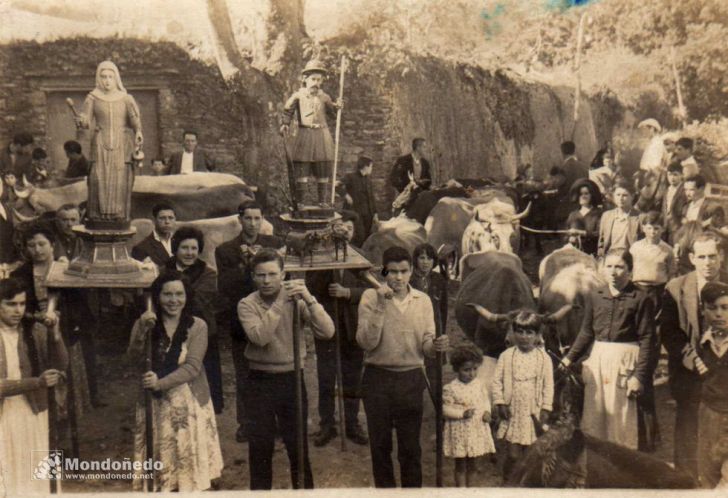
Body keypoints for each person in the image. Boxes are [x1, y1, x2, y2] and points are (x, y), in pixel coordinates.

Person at [237, 249, 335, 489]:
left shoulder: (297, 300)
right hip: (259, 381)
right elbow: (260, 337)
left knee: (297, 446)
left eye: (272, 274)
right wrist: (281, 302)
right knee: (260, 447)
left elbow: (327, 331)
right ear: (253, 276)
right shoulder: (247, 304)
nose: (267, 281)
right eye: (261, 275)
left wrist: (309, 299)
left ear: (283, 274)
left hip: (292, 379)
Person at [357, 245, 449, 488]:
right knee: (380, 447)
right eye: (393, 272)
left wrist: (436, 346)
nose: (398, 277)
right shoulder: (369, 297)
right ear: (383, 272)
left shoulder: (423, 300)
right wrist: (380, 303)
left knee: (410, 449)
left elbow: (426, 346)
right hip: (377, 379)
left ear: (411, 272)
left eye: (404, 271)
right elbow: (366, 342)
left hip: (410, 379)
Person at [127, 271, 223, 492]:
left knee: (187, 461)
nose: (173, 300)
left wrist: (159, 382)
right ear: (158, 297)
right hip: (155, 402)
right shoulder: (146, 322)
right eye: (167, 294)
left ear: (187, 296)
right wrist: (142, 329)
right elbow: (132, 359)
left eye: (179, 294)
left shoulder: (197, 326)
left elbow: (192, 367)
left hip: (187, 402)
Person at [562, 249, 659, 452]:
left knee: (621, 420)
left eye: (619, 267)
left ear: (630, 271)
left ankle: (622, 462)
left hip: (625, 363)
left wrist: (639, 376)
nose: (613, 272)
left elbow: (648, 339)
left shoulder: (641, 298)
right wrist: (568, 359)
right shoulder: (595, 295)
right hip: (598, 360)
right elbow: (586, 332)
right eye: (609, 266)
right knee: (595, 415)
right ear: (602, 269)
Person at [11, 226, 93, 446]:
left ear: (52, 245)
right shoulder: (20, 274)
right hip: (32, 337)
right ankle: (42, 440)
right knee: (41, 383)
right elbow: (15, 308)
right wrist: (36, 317)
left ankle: (66, 445)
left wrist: (64, 321)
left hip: (63, 335)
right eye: (31, 245)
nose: (37, 250)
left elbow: (80, 306)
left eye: (42, 244)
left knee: (65, 387)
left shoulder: (66, 270)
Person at [215, 200, 282, 442]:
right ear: (239, 220)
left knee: (273, 371)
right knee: (245, 373)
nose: (253, 223)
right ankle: (247, 423)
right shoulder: (226, 250)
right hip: (241, 321)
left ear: (263, 219)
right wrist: (246, 266)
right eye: (248, 218)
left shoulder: (275, 245)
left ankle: (274, 422)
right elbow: (225, 286)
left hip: (271, 318)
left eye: (257, 218)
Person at [661, 234, 728, 479]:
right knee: (688, 431)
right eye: (702, 257)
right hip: (688, 373)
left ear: (720, 256)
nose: (708, 262)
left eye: (713, 256)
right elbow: (669, 330)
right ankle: (685, 482)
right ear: (692, 258)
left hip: (723, 377)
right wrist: (691, 358)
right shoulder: (676, 288)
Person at [305, 212, 369, 447]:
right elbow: (310, 287)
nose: (345, 233)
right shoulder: (321, 257)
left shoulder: (363, 257)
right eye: (340, 229)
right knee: (326, 377)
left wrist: (348, 293)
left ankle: (352, 423)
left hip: (352, 327)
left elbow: (374, 288)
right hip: (328, 327)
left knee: (352, 378)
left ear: (355, 232)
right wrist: (326, 273)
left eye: (349, 229)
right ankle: (327, 424)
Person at [0, 277, 68, 496]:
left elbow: (60, 365)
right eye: (10, 304)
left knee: (35, 472)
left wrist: (55, 334)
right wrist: (36, 382)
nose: (18, 310)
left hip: (33, 411)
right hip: (4, 415)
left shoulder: (34, 330)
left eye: (22, 304)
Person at [74, 60, 143, 229]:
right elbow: (87, 122)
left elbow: (135, 120)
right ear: (98, 78)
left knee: (120, 178)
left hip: (121, 144)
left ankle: (119, 216)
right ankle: (98, 216)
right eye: (103, 76)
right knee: (98, 177)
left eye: (110, 77)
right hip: (100, 143)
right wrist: (81, 121)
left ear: (116, 78)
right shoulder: (93, 98)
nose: (106, 80)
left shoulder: (126, 98)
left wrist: (139, 132)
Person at [163, 226, 223, 414]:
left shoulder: (208, 272)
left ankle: (206, 409)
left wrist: (169, 297)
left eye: (194, 249)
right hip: (169, 327)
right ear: (176, 248)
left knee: (201, 371)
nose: (189, 253)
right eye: (184, 248)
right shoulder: (164, 268)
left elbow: (196, 301)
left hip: (200, 328)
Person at [492, 310, 553, 477]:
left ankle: (527, 484)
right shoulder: (506, 356)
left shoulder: (543, 358)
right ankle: (509, 481)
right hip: (513, 410)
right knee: (513, 453)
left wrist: (546, 408)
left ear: (537, 335)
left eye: (529, 332)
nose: (524, 337)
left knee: (531, 451)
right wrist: (500, 402)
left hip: (534, 410)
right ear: (513, 333)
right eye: (520, 332)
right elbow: (497, 381)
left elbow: (548, 385)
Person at [280, 59, 342, 207]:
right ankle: (301, 202)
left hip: (322, 134)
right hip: (305, 134)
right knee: (302, 166)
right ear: (305, 79)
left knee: (323, 165)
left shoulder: (325, 97)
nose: (316, 82)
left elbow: (333, 115)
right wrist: (285, 124)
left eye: (319, 80)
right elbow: (288, 110)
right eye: (313, 79)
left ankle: (323, 202)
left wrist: (338, 107)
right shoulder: (298, 96)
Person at [442, 343, 495, 487]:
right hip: (460, 431)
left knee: (473, 465)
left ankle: (471, 491)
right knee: (460, 465)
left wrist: (487, 412)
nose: (471, 373)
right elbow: (445, 409)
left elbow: (485, 401)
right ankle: (461, 491)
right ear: (456, 369)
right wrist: (461, 413)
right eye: (466, 370)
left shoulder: (479, 384)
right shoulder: (451, 388)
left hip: (475, 429)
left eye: (474, 369)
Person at [695, 282, 728, 488]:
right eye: (712, 308)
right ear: (703, 310)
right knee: (707, 474)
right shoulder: (702, 343)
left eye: (725, 308)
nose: (719, 314)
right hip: (708, 416)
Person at [410, 243, 448, 392]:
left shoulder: (439, 280)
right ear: (415, 260)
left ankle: (436, 409)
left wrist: (442, 332)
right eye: (422, 258)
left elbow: (443, 310)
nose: (426, 262)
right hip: (415, 328)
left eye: (429, 258)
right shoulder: (409, 279)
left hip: (434, 328)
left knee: (434, 374)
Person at [629, 211, 676, 311]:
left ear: (663, 229)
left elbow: (672, 273)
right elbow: (629, 268)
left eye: (656, 228)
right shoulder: (636, 247)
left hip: (657, 290)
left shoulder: (667, 249)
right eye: (649, 228)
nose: (652, 232)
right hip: (638, 288)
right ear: (643, 228)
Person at [597, 180, 641, 258]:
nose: (621, 198)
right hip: (609, 256)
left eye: (625, 195)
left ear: (632, 196)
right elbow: (602, 240)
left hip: (629, 258)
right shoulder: (606, 216)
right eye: (618, 195)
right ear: (613, 196)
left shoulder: (639, 217)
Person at [342, 156, 378, 244]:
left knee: (367, 236)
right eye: (371, 166)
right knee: (359, 236)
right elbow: (336, 186)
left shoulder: (368, 180)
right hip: (355, 213)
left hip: (368, 214)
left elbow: (371, 198)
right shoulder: (350, 177)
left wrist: (375, 213)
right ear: (365, 166)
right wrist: (346, 195)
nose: (371, 169)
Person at [131, 203, 176, 268]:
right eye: (162, 218)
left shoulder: (180, 241)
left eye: (171, 218)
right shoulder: (140, 248)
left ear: (175, 219)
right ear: (154, 220)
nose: (167, 222)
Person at [566, 178, 603, 256]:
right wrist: (569, 239)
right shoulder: (573, 215)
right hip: (576, 254)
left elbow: (600, 234)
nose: (583, 196)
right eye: (580, 194)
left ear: (592, 196)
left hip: (593, 253)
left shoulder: (599, 213)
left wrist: (581, 233)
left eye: (586, 193)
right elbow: (566, 234)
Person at [663, 161, 688, 244]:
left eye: (675, 174)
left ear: (681, 175)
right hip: (666, 227)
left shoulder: (685, 190)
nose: (672, 178)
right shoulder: (667, 190)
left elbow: (685, 209)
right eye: (669, 175)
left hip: (678, 227)